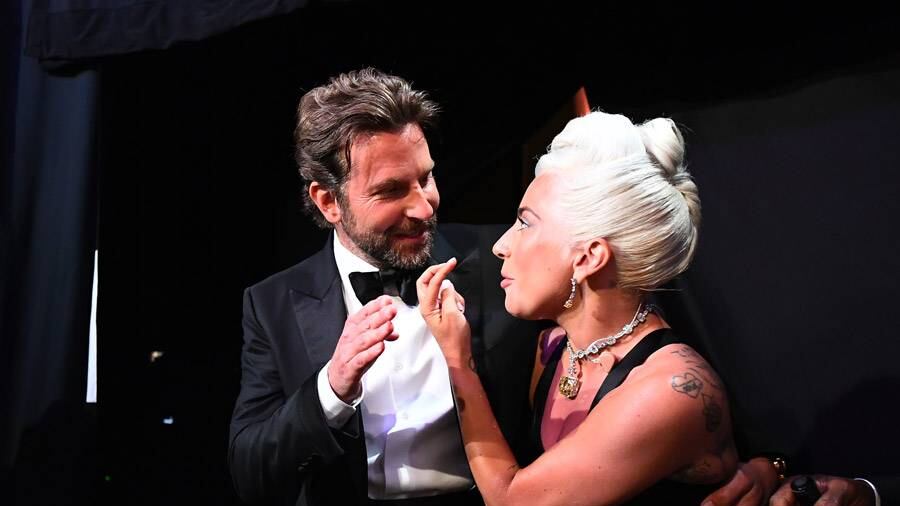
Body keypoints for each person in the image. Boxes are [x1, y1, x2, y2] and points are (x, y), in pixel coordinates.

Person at [227, 68, 543, 506]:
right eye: (392, 190)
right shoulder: (272, 304)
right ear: (328, 202)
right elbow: (251, 471)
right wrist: (331, 389)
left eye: (425, 178)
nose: (424, 207)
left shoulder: (501, 259)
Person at [417, 111, 740, 505]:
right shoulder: (551, 349)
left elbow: (513, 500)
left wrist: (457, 358)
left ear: (589, 258)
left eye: (525, 223)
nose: (501, 245)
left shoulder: (670, 391)